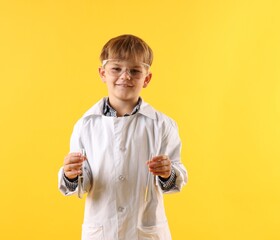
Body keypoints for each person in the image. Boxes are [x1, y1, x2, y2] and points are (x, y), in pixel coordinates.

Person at [58, 34, 188, 240]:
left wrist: (168, 172)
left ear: (146, 78)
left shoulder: (162, 125)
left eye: (135, 70)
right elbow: (82, 183)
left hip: (145, 231)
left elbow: (177, 177)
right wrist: (70, 175)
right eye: (116, 69)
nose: (125, 76)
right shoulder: (85, 125)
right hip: (102, 231)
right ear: (102, 73)